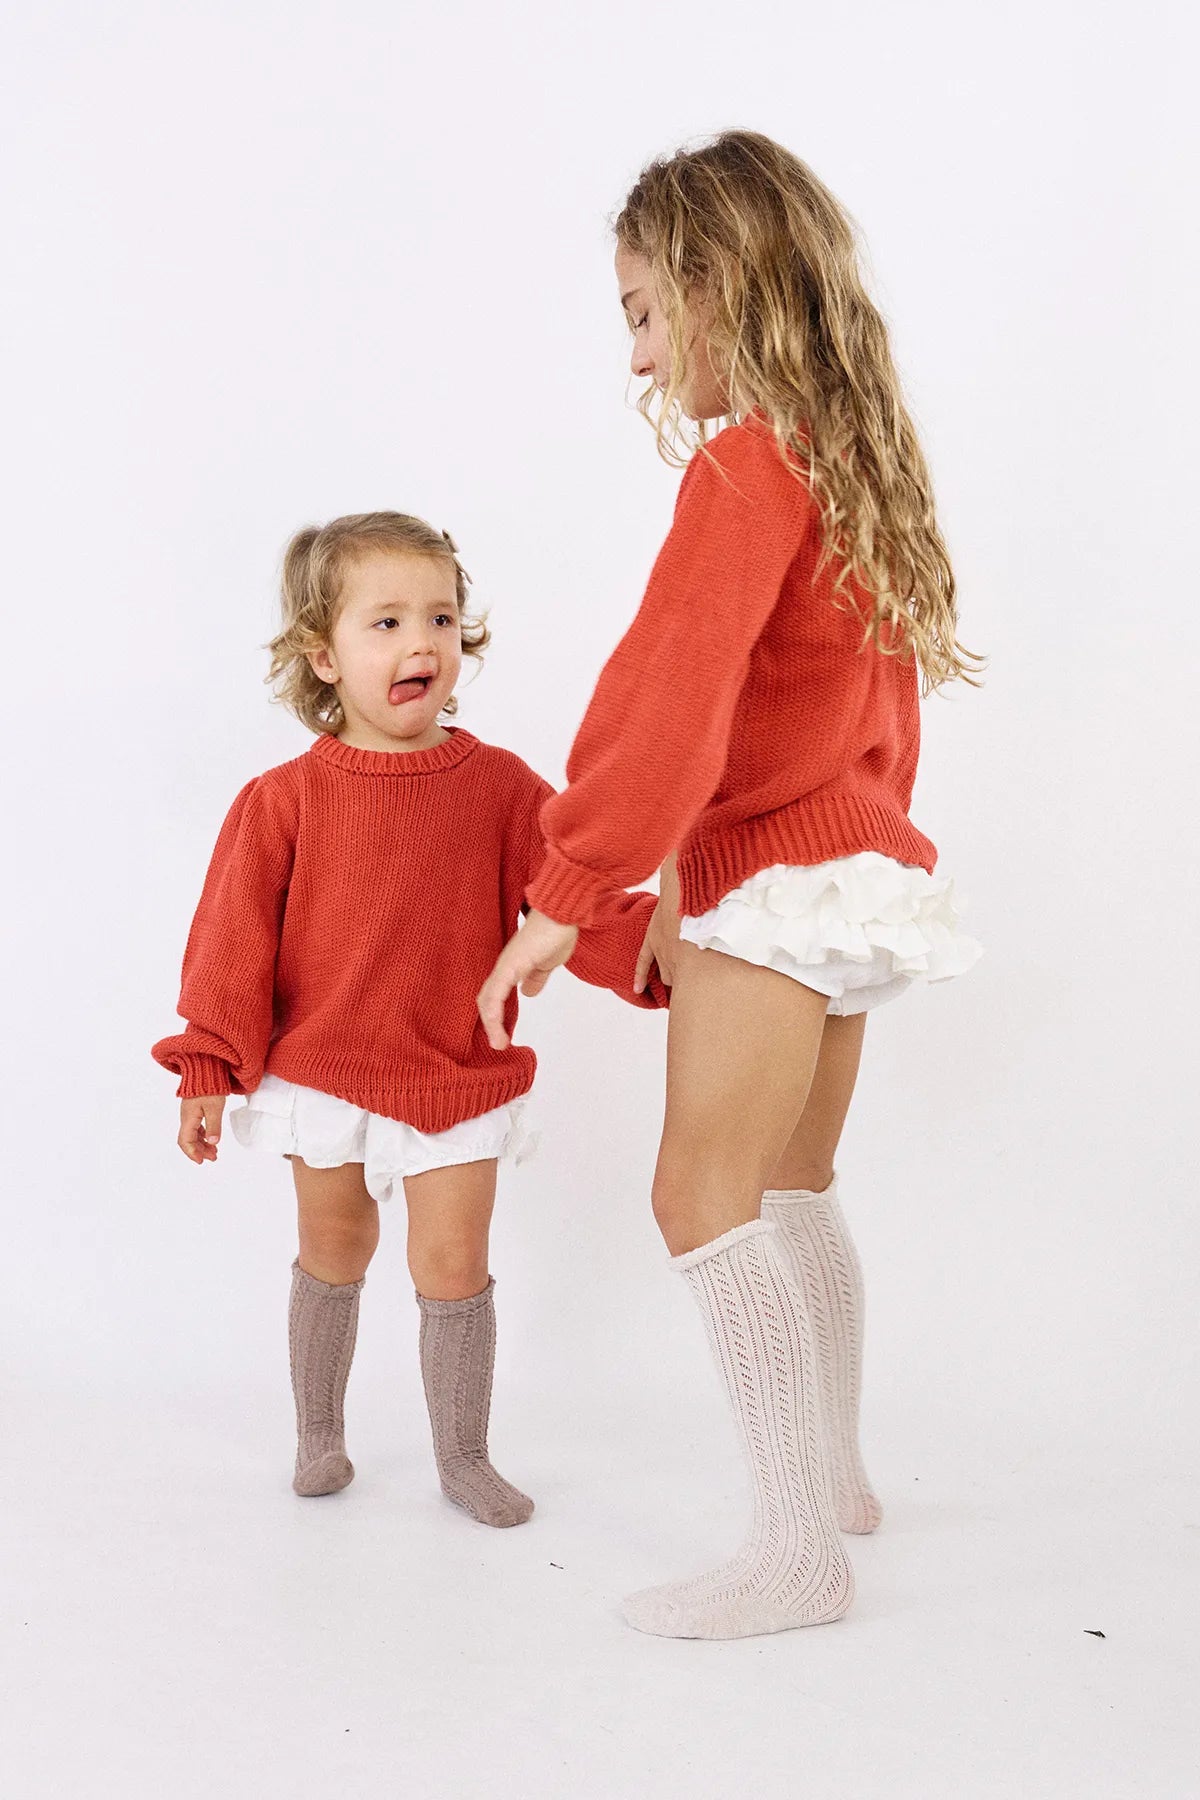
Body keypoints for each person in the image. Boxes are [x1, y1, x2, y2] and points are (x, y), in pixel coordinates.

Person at [478, 131, 981, 1633]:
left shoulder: (746, 466)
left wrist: (568, 891)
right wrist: (691, 888)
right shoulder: (851, 459)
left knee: (697, 1192)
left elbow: (670, 694)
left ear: (721, 286)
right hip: (854, 875)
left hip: (783, 879)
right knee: (790, 1184)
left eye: (645, 312)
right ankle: (834, 1484)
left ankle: (795, 1555)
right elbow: (840, 714)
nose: (638, 357)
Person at [153, 511, 667, 1526]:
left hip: (456, 1074)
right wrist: (209, 1063)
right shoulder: (283, 800)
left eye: (439, 617)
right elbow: (229, 943)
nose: (420, 642)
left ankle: (464, 1456)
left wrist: (656, 952)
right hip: (322, 1072)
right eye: (385, 622)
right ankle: (319, 1433)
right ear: (324, 656)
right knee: (335, 1247)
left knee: (453, 1265)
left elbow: (571, 902)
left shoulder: (502, 788)